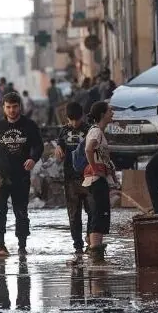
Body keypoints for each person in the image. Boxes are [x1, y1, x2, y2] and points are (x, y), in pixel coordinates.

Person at [0, 91, 43, 257]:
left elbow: (38, 146)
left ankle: (22, 246)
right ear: (3, 108)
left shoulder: (29, 125)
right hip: (0, 175)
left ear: (20, 107)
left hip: (21, 175)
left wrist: (33, 159)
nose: (12, 110)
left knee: (21, 211)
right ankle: (0, 245)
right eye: (8, 107)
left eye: (15, 107)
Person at [55, 101, 92, 264]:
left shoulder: (90, 129)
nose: (74, 123)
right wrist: (58, 149)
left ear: (82, 117)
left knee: (92, 211)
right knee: (74, 214)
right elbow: (59, 148)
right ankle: (77, 246)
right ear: (67, 118)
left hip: (89, 177)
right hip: (70, 178)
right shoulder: (63, 131)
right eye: (71, 120)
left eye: (77, 120)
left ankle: (91, 241)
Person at [82, 101, 117, 263]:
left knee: (98, 213)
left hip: (98, 179)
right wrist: (95, 168)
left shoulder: (98, 132)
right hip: (96, 179)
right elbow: (89, 149)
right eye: (110, 111)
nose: (112, 113)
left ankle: (94, 250)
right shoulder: (96, 132)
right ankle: (96, 255)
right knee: (99, 214)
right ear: (102, 114)